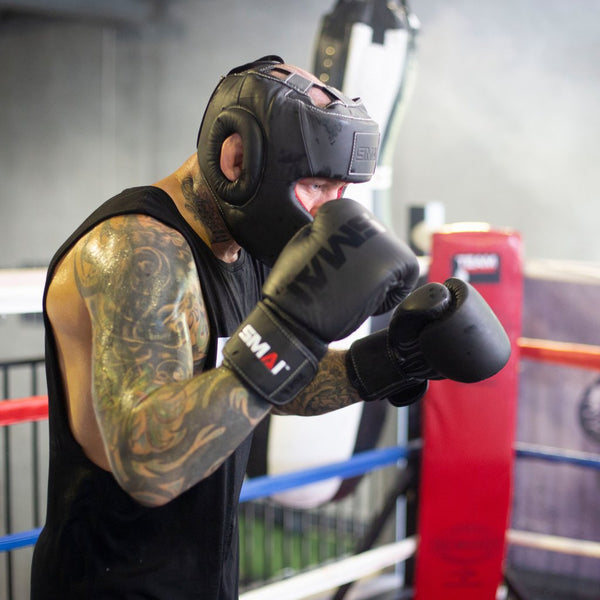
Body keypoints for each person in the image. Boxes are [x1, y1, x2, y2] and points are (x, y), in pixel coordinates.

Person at [31, 56, 510, 599]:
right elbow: (150, 466)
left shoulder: (247, 246)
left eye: (342, 192)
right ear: (237, 158)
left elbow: (258, 382)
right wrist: (290, 330)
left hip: (205, 575)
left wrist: (387, 362)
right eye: (317, 187)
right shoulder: (138, 253)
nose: (331, 212)